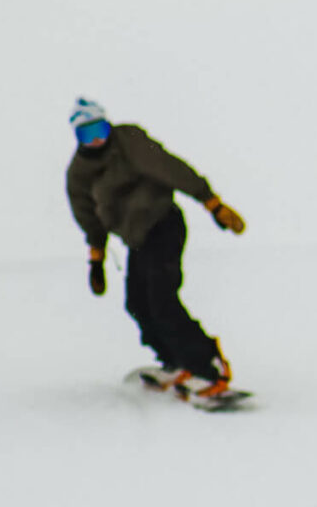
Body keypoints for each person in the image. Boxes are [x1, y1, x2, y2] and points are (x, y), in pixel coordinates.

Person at [65, 98, 247, 401]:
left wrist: (211, 202)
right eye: (87, 134)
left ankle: (208, 367)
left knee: (161, 298)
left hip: (162, 224)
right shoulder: (79, 174)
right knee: (137, 303)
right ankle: (175, 362)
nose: (96, 139)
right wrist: (96, 258)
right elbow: (88, 216)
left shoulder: (128, 142)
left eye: (100, 129)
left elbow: (170, 169)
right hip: (137, 238)